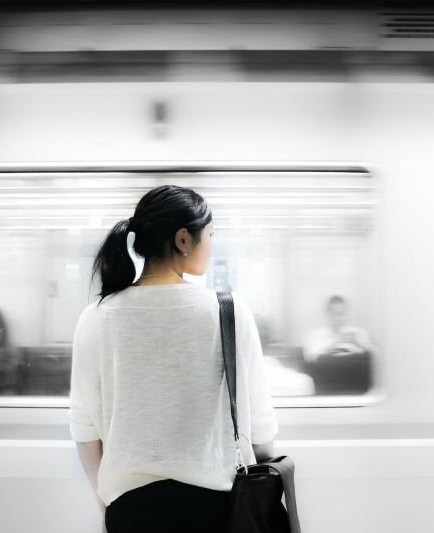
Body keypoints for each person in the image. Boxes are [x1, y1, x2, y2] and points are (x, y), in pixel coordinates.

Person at [68, 185, 278, 533]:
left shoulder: (95, 316)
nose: (211, 245)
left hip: (130, 512)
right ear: (183, 240)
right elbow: (260, 426)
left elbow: (85, 430)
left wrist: (108, 510)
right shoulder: (230, 311)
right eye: (209, 234)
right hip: (218, 510)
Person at [304, 295, 376, 362]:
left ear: (346, 313)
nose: (337, 318)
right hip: (325, 373)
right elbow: (309, 359)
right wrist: (334, 344)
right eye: (333, 313)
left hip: (354, 373)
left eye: (341, 313)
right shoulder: (315, 336)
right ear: (328, 314)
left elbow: (375, 356)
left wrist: (357, 343)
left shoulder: (358, 333)